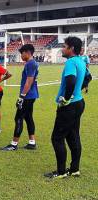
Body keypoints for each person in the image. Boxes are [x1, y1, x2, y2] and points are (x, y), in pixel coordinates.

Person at [45, 37, 86, 179]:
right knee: (73, 136)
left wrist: (67, 99)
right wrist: (81, 89)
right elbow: (88, 77)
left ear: (71, 49)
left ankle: (61, 172)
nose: (62, 49)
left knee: (57, 138)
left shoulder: (70, 62)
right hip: (79, 103)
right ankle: (74, 169)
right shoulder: (81, 61)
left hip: (69, 106)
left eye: (64, 46)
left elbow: (71, 81)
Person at [1, 44, 39, 151]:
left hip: (27, 96)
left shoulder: (30, 64)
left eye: (22, 53)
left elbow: (29, 81)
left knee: (18, 118)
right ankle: (32, 142)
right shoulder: (32, 63)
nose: (21, 55)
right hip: (31, 95)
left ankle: (14, 144)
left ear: (27, 52)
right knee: (28, 117)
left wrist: (22, 96)